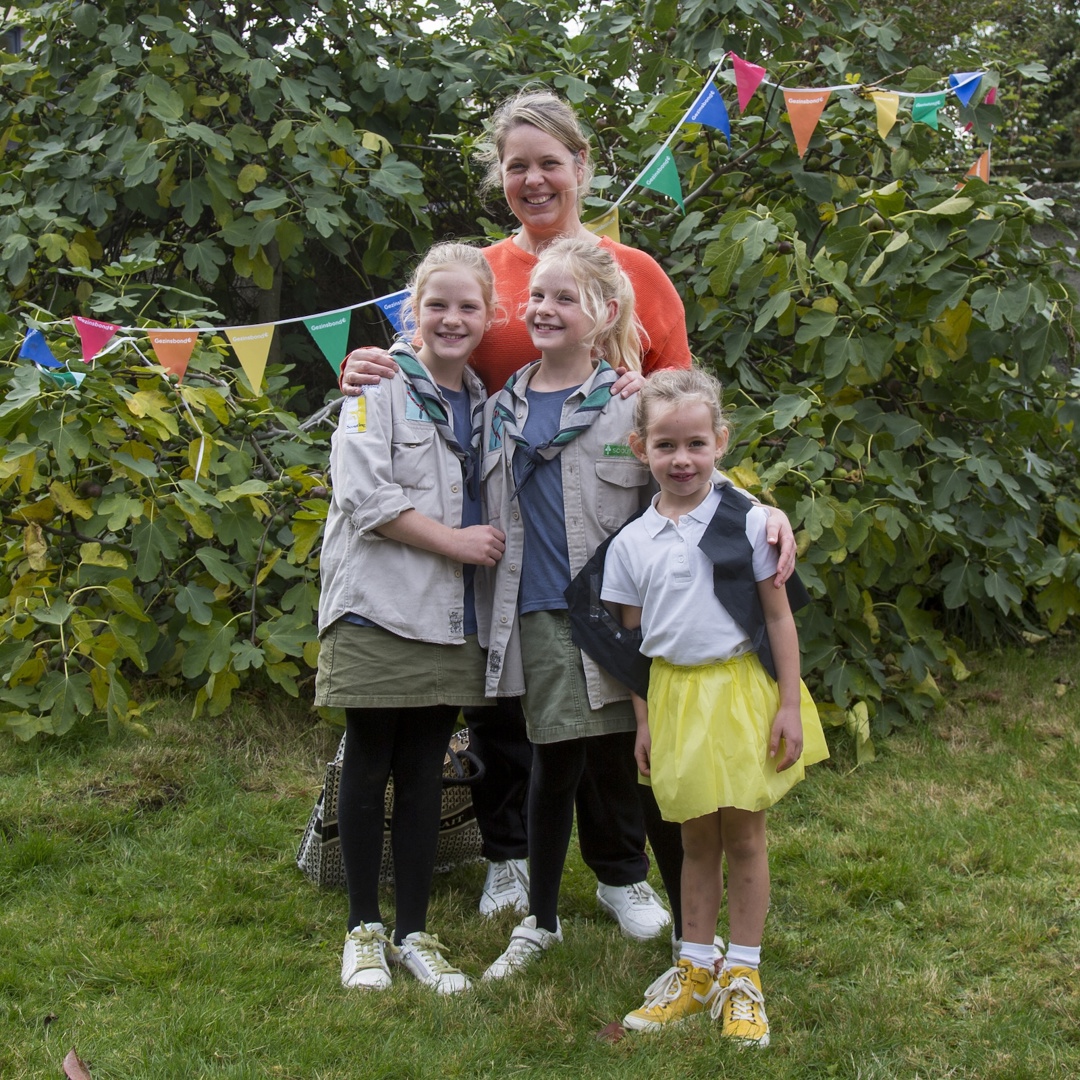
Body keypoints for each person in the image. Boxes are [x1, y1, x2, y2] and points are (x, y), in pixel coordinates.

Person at [338, 87, 711, 940]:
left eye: (550, 163)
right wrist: (369, 364)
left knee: (611, 713)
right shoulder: (483, 270)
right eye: (517, 167)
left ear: (582, 166)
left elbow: (682, 401)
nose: (535, 180)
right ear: (500, 178)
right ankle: (506, 858)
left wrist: (646, 391)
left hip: (609, 518)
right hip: (499, 527)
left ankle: (620, 872)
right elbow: (430, 352)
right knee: (503, 711)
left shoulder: (636, 272)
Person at [599, 368, 829, 1045]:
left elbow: (779, 619)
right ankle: (696, 969)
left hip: (739, 694)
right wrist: (644, 720)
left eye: (696, 444)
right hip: (674, 700)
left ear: (721, 442)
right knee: (694, 838)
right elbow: (632, 643)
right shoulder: (630, 544)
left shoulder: (749, 523)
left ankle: (744, 976)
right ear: (640, 448)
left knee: (745, 836)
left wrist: (788, 706)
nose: (682, 459)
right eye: (666, 445)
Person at [478, 237, 674, 978]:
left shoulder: (632, 406)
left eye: (566, 298)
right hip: (542, 606)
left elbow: (689, 477)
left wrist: (761, 514)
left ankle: (639, 888)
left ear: (606, 315)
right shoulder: (499, 409)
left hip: (625, 612)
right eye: (538, 296)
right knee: (556, 753)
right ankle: (542, 917)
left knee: (635, 753)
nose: (545, 309)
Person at [314, 243, 506, 994]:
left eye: (467, 307)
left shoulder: (488, 404)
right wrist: (457, 543)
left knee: (427, 767)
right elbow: (364, 497)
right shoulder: (376, 386)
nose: (451, 319)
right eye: (437, 305)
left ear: (488, 316)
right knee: (369, 761)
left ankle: (414, 933)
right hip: (379, 606)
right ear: (411, 313)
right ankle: (363, 931)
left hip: (451, 615)